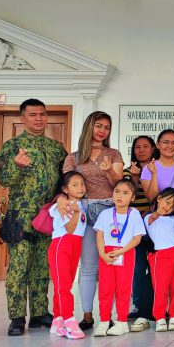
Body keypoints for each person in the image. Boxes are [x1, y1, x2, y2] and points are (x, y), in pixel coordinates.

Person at [0, 98, 67, 336]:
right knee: (18, 268)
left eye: (42, 114)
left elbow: (64, 181)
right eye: (33, 114)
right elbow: (4, 180)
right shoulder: (12, 146)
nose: (38, 118)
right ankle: (17, 317)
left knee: (42, 267)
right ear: (23, 118)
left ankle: (39, 313)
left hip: (48, 214)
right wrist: (16, 165)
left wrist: (62, 197)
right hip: (21, 215)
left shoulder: (56, 148)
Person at [62, 111, 125, 330]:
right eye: (99, 126)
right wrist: (63, 199)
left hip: (110, 210)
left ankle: (114, 315)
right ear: (89, 126)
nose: (102, 131)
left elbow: (119, 184)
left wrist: (108, 171)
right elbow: (67, 184)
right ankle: (87, 314)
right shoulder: (74, 157)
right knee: (88, 265)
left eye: (107, 128)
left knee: (114, 263)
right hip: (85, 210)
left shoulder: (113, 154)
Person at [93, 179, 145, 336]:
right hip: (107, 253)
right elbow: (100, 235)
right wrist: (103, 254)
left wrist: (121, 251)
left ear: (133, 198)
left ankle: (122, 321)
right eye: (117, 191)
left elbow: (137, 238)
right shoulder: (105, 214)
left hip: (126, 253)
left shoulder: (134, 214)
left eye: (125, 193)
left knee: (123, 288)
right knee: (105, 288)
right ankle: (104, 321)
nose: (120, 196)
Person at [48, 171, 88, 340]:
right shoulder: (61, 205)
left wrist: (79, 210)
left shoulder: (81, 205)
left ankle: (58, 320)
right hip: (61, 245)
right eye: (75, 184)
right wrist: (76, 213)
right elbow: (69, 229)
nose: (80, 187)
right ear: (65, 189)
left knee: (65, 284)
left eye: (82, 184)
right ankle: (69, 320)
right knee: (63, 285)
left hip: (75, 246)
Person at [124, 135, 157, 331]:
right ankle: (138, 306)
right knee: (137, 268)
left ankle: (155, 305)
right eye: (138, 147)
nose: (142, 150)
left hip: (154, 224)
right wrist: (135, 178)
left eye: (146, 146)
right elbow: (126, 194)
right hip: (134, 226)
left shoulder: (158, 169)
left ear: (153, 149)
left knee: (154, 267)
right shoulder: (128, 171)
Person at [145, 188, 174, 332]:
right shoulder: (149, 217)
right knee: (160, 287)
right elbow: (151, 220)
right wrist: (158, 212)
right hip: (160, 255)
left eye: (172, 206)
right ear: (158, 198)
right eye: (167, 202)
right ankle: (160, 317)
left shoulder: (173, 219)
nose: (168, 207)